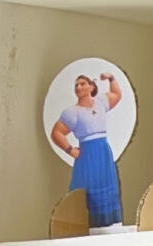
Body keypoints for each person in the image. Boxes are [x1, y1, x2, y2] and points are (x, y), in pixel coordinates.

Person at [48, 70, 124, 229]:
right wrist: (70, 150)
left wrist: (111, 78)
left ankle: (107, 229)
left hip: (103, 153)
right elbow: (56, 133)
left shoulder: (101, 102)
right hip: (88, 156)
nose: (78, 87)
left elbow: (117, 95)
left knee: (106, 188)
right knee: (86, 190)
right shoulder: (72, 112)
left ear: (91, 86)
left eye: (82, 84)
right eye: (76, 85)